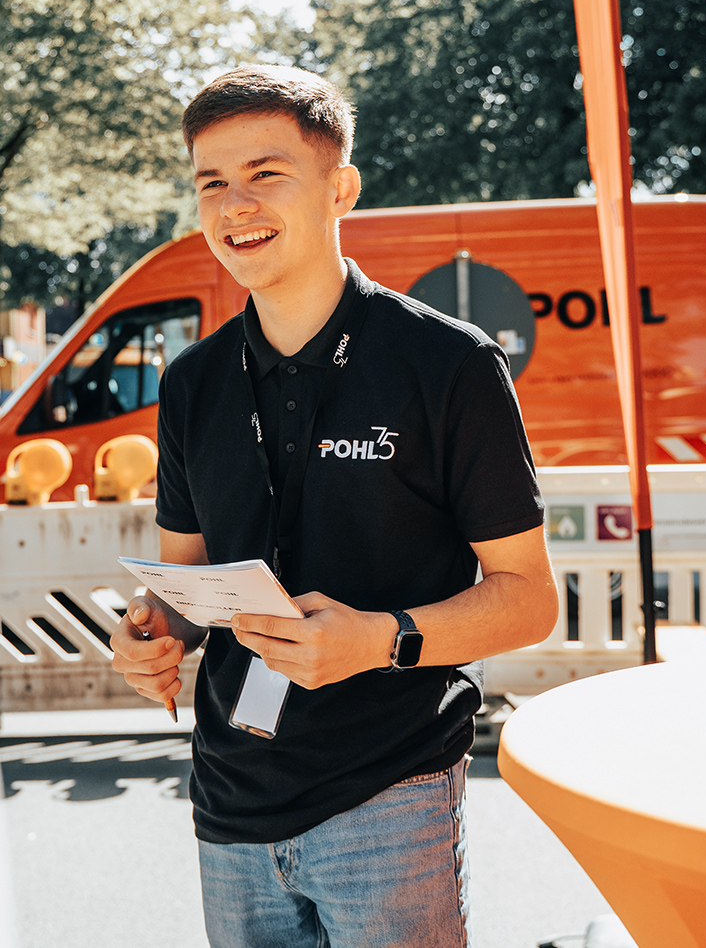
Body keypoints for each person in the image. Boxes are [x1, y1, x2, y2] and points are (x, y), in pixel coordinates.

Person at [110, 63, 558, 948]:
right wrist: (152, 631)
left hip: (387, 796)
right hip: (229, 799)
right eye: (212, 182)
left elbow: (530, 598)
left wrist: (378, 639)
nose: (235, 203)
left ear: (339, 187)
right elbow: (185, 579)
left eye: (266, 173)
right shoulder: (193, 381)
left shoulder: (448, 365)